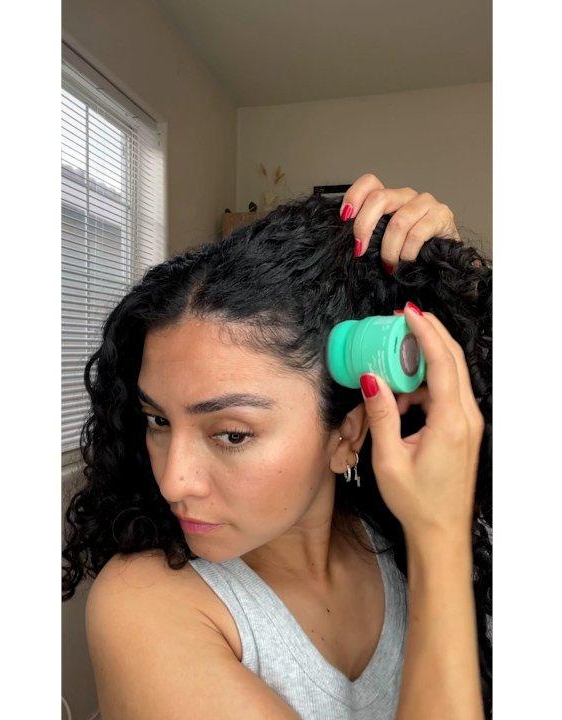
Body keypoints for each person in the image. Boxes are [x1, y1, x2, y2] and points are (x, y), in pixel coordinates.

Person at [63, 173, 491, 719]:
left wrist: (455, 282)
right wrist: (439, 535)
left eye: (231, 434)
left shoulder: (393, 531)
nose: (172, 482)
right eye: (157, 420)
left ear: (348, 432)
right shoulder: (145, 606)